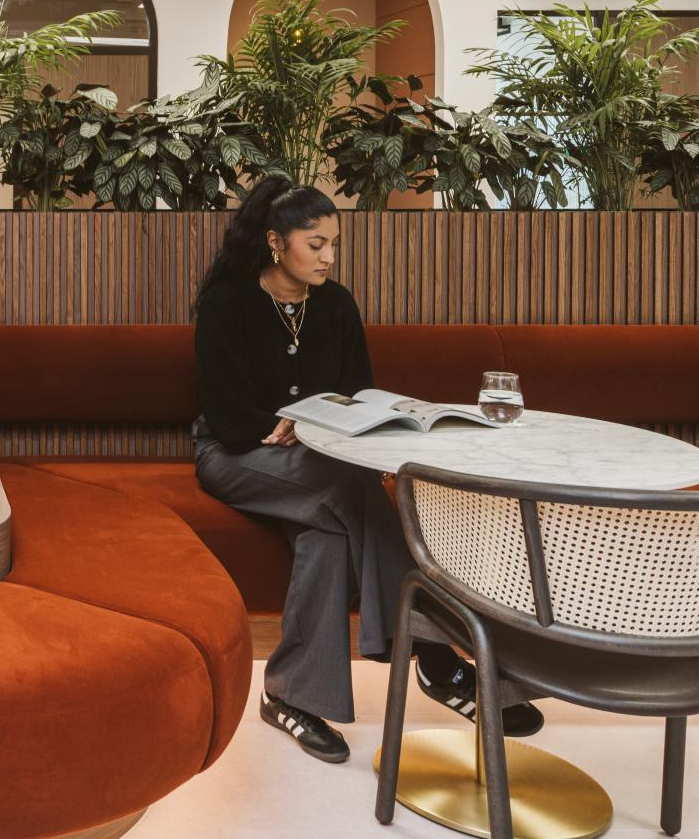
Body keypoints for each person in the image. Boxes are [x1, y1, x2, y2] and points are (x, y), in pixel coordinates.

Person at [191, 173, 542, 763]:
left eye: (334, 242)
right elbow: (226, 416)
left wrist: (347, 419)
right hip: (235, 455)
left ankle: (290, 698)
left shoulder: (337, 303)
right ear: (276, 243)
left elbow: (356, 392)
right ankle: (434, 656)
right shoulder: (228, 303)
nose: (329, 256)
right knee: (356, 491)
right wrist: (291, 424)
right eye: (316, 243)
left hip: (318, 460)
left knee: (324, 535)